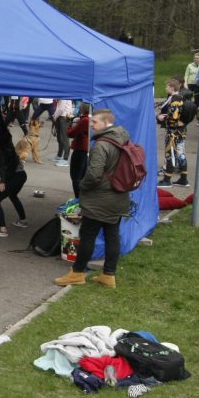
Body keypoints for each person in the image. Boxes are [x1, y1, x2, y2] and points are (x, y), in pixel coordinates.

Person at [55, 109, 132, 288]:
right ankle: (109, 275)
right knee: (112, 235)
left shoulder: (102, 144)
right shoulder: (123, 138)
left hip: (99, 198)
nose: (91, 125)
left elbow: (94, 173)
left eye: (95, 122)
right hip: (118, 196)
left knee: (88, 235)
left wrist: (83, 185)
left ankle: (77, 273)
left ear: (106, 123)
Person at [0, 118, 28, 237]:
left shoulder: (0, 147)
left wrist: (2, 182)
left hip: (13, 177)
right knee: (13, 195)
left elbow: (4, 166)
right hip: (21, 175)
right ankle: (23, 220)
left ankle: (3, 229)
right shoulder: (8, 142)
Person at [157, 79, 190, 187]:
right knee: (180, 154)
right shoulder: (181, 98)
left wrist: (161, 118)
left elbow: (173, 117)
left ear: (172, 87)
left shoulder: (175, 99)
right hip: (182, 130)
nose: (165, 88)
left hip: (173, 131)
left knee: (170, 154)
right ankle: (183, 179)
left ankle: (167, 180)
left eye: (167, 87)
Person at [67, 103, 91, 198]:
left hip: (80, 149)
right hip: (86, 149)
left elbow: (71, 133)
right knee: (82, 175)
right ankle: (81, 197)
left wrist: (69, 125)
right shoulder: (89, 119)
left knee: (76, 176)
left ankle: (78, 198)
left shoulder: (84, 120)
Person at [52, 99, 73, 167]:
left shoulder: (64, 96)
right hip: (66, 116)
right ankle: (59, 155)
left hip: (63, 116)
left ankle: (65, 159)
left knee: (63, 138)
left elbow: (61, 108)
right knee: (61, 137)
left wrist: (55, 116)